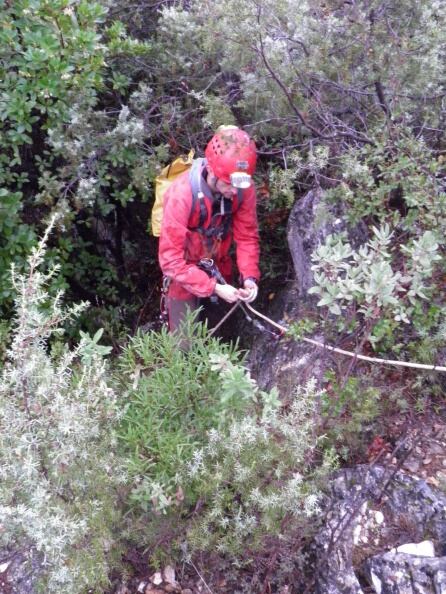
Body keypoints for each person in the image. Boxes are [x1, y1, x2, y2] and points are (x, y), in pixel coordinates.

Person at [158, 125, 260, 332]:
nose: (234, 190)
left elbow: (247, 236)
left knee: (223, 334)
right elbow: (170, 260)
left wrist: (249, 277)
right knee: (183, 343)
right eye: (228, 183)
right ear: (212, 171)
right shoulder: (182, 195)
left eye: (240, 183)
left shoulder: (242, 190)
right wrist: (213, 287)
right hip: (183, 275)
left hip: (220, 267)